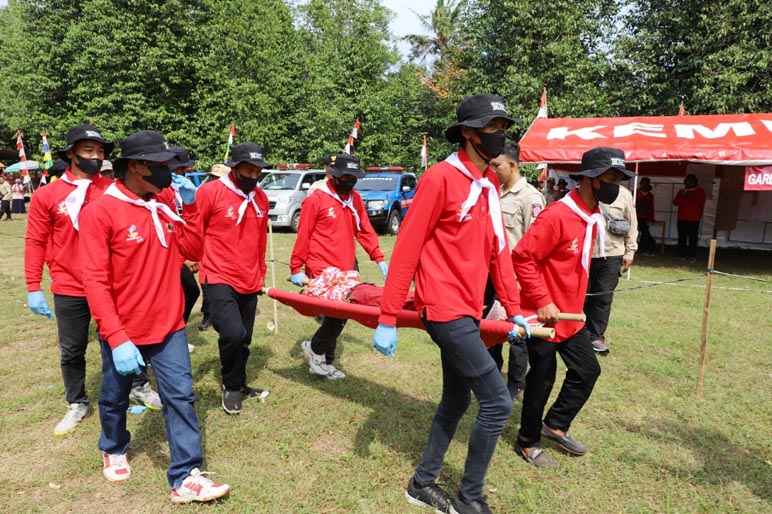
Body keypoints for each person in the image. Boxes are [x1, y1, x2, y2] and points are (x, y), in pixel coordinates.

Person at [372, 93, 530, 514]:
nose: (498, 136)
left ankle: (421, 483)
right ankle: (469, 499)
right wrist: (388, 316)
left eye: (501, 129)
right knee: (497, 402)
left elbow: (499, 251)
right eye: (490, 128)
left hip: (471, 307)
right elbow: (407, 247)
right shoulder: (440, 178)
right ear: (467, 133)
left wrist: (512, 307)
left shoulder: (489, 185)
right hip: (443, 309)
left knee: (458, 400)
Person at [79, 129, 231, 503]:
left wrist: (191, 208)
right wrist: (116, 337)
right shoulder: (101, 211)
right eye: (162, 165)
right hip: (124, 329)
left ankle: (185, 475)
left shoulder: (161, 202)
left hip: (170, 326)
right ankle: (113, 446)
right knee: (114, 397)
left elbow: (192, 250)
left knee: (181, 396)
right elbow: (95, 282)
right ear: (136, 167)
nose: (169, 171)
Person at [24, 124, 161, 436]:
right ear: (71, 154)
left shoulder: (113, 189)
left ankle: (138, 385)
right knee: (72, 349)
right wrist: (34, 287)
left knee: (125, 339)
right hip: (70, 286)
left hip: (114, 284)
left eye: (100, 152)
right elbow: (35, 241)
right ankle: (76, 401)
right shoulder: (49, 195)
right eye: (88, 151)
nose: (96, 157)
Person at [512, 146, 635, 469]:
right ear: (591, 179)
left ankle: (554, 424)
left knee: (587, 370)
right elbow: (522, 257)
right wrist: (542, 300)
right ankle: (527, 443)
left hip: (570, 315)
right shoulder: (557, 215)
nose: (616, 186)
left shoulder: (593, 216)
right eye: (611, 178)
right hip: (543, 315)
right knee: (543, 377)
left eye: (620, 179)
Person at [290, 153, 388, 380]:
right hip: (322, 268)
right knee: (337, 315)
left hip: (346, 268)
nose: (349, 181)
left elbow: (364, 230)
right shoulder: (316, 200)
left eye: (353, 177)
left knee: (339, 315)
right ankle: (317, 353)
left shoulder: (355, 199)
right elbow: (303, 235)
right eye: (345, 176)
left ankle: (321, 359)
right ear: (333, 175)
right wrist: (296, 268)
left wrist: (379, 258)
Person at [196, 142, 271, 414]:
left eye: (257, 172)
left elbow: (260, 240)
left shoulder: (260, 198)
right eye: (248, 170)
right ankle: (230, 386)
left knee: (245, 338)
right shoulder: (210, 192)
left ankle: (239, 383)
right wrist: (191, 258)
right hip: (217, 274)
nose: (253, 176)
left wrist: (260, 272)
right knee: (232, 333)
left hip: (249, 277)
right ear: (234, 168)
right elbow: (195, 229)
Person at [486, 142, 545, 400]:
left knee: (517, 334)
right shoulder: (492, 192)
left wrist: (522, 280)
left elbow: (535, 245)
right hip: (488, 274)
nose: (493, 169)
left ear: (512, 164)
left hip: (514, 277)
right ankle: (490, 375)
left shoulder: (530, 198)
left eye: (496, 165)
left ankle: (516, 383)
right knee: (489, 325)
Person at [584, 183, 638, 354]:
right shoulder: (584, 190)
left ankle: (596, 337)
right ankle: (578, 334)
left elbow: (632, 223)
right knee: (582, 295)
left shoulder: (624, 194)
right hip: (585, 253)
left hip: (612, 253)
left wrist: (630, 251)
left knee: (603, 297)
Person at [169, 146, 201, 354]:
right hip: (170, 257)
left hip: (178, 253)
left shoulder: (180, 190)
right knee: (185, 292)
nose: (185, 175)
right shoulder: (162, 191)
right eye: (183, 171)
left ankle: (175, 334)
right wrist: (182, 260)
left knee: (189, 291)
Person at [197, 163, 231, 332]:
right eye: (211, 177)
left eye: (216, 178)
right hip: (205, 250)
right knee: (206, 285)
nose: (212, 180)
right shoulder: (204, 194)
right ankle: (207, 315)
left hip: (225, 253)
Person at [673, 173, 705, 260]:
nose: (689, 183)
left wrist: (690, 196)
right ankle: (681, 255)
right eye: (687, 181)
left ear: (695, 182)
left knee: (692, 238)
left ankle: (691, 255)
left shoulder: (700, 191)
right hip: (682, 218)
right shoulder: (681, 191)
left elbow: (701, 202)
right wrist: (683, 194)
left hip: (694, 219)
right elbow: (675, 202)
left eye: (691, 181)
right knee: (681, 238)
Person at [636, 177, 657, 256]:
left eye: (646, 183)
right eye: (643, 183)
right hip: (636, 216)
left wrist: (651, 218)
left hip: (645, 217)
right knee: (635, 233)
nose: (645, 185)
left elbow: (651, 207)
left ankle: (647, 249)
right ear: (640, 184)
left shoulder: (650, 195)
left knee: (645, 233)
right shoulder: (635, 192)